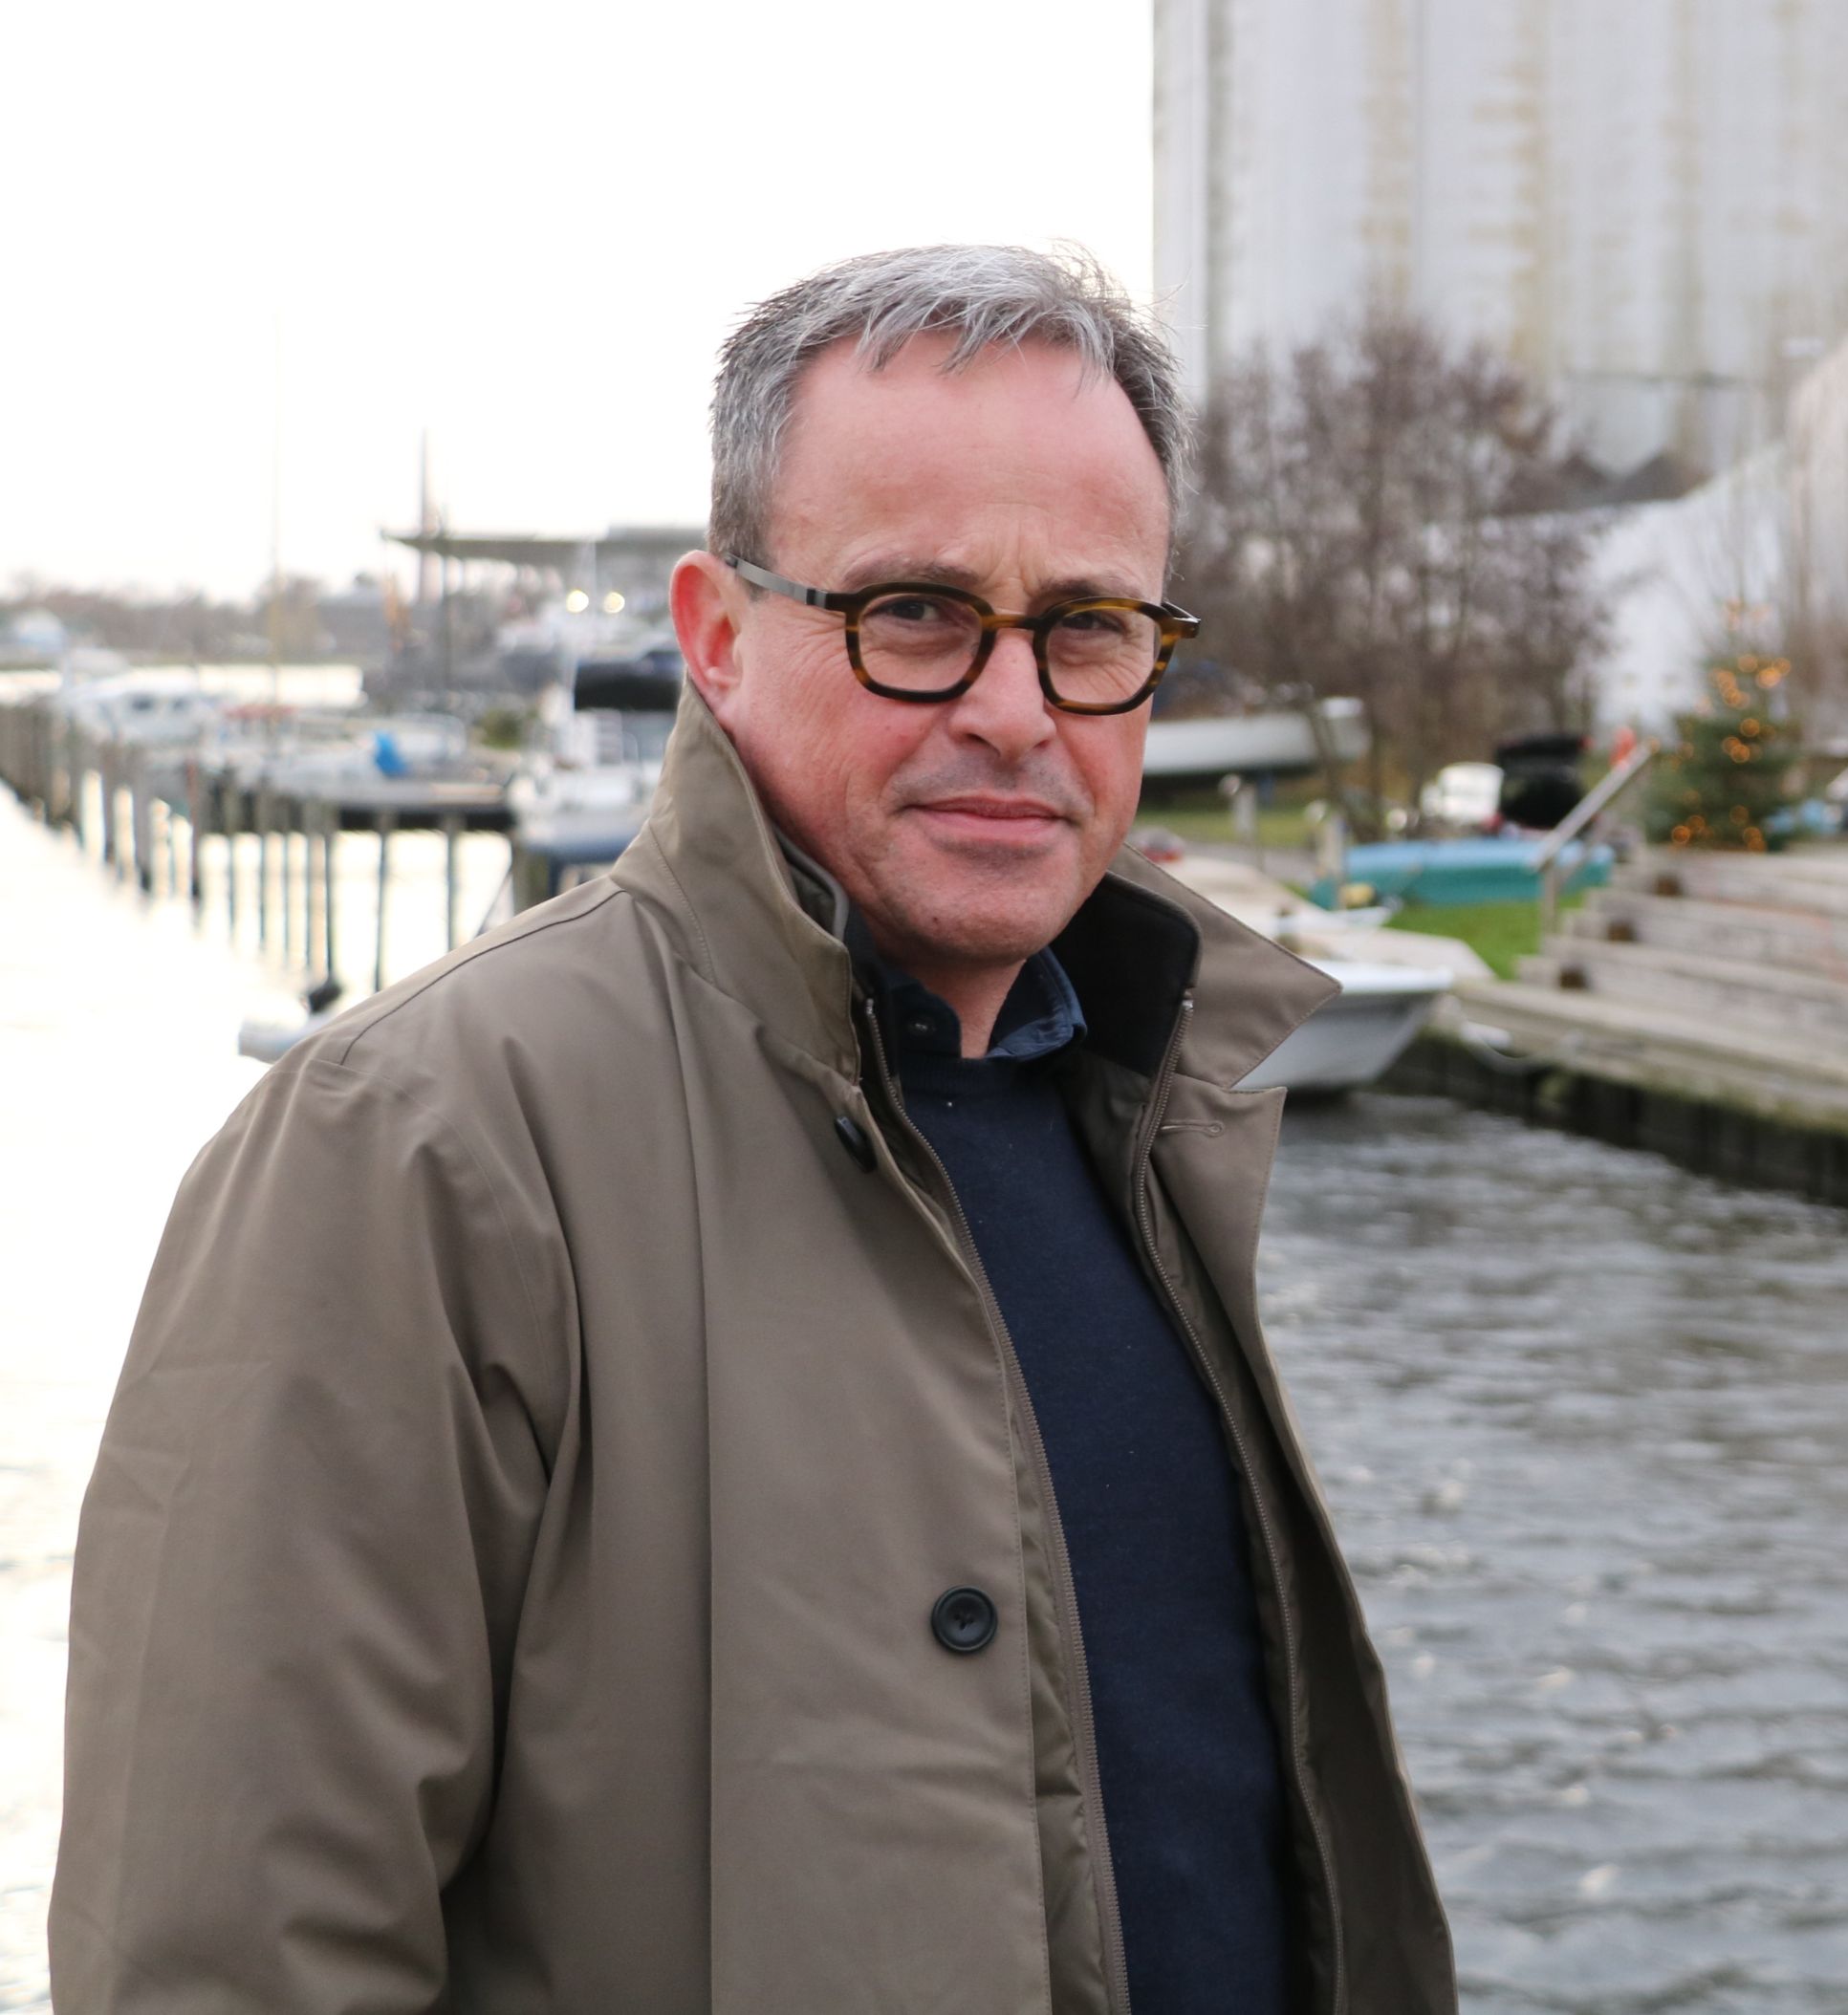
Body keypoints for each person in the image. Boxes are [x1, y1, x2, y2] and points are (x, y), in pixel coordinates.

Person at [54, 245, 1454, 2014]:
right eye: (918, 615)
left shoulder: (1150, 1121)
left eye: (1089, 627)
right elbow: (228, 1959)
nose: (1014, 711)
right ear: (716, 638)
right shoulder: (410, 1147)